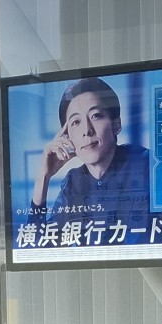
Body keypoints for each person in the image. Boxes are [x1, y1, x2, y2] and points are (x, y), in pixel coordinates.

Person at [30, 77, 150, 235]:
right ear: (67, 137)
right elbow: (37, 246)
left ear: (116, 124)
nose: (87, 130)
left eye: (96, 116)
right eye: (76, 122)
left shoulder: (146, 164)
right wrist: (43, 177)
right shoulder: (73, 182)